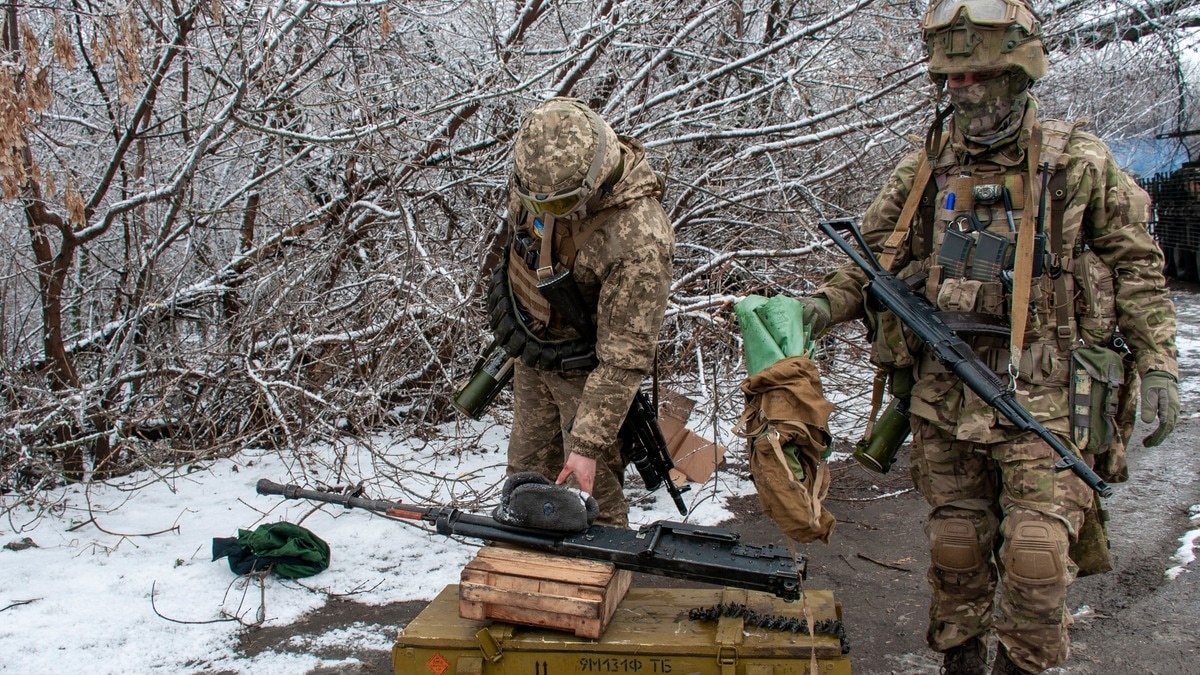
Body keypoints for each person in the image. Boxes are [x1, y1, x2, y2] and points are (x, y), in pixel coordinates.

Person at [790, 2, 1179, 673]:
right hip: (947, 394)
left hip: (1047, 396)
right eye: (951, 80)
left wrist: (1159, 362)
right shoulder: (927, 166)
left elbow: (1137, 267)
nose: (961, 91)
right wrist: (819, 308)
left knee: (1036, 554)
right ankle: (961, 661)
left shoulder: (1077, 164)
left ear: (1019, 75)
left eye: (977, 77)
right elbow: (870, 260)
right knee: (956, 549)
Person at [487, 97, 673, 527]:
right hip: (533, 352)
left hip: (589, 377)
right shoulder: (540, 175)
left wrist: (587, 444)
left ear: (594, 179)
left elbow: (624, 357)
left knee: (589, 498)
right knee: (525, 484)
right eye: (534, 200)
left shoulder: (638, 238)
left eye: (557, 206)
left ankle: (601, 567)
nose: (541, 212)